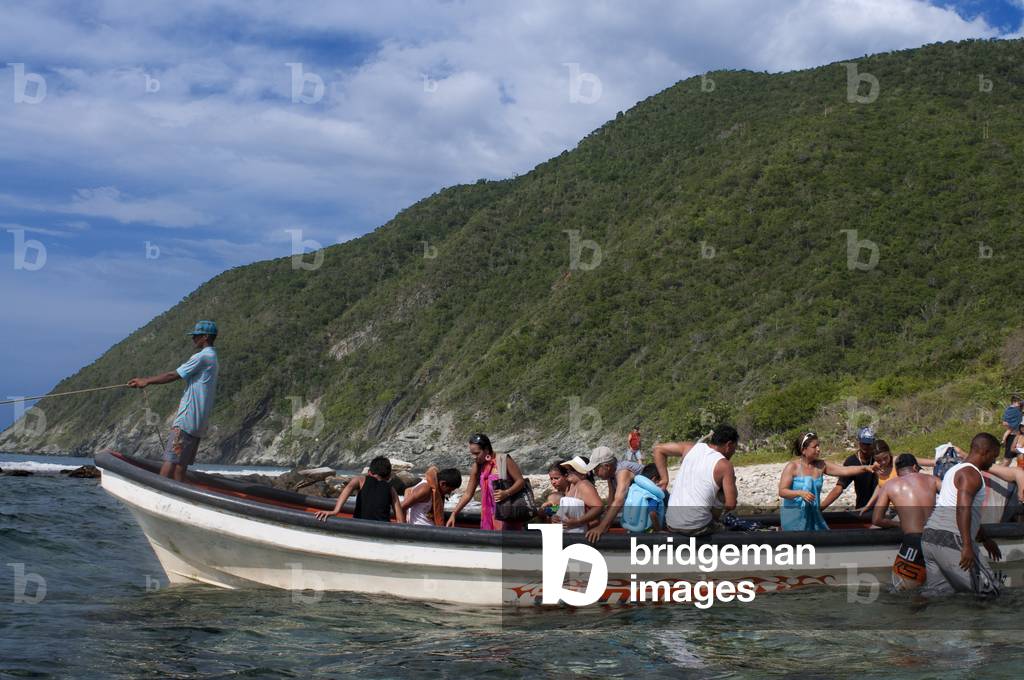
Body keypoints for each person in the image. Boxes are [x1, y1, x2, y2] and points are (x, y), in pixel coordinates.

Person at [127, 320, 219, 482]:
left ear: (205, 337)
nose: (193, 339)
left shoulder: (202, 357)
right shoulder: (213, 357)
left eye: (196, 336)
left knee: (170, 460)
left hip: (186, 419)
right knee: (180, 464)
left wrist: (146, 381)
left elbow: (173, 375)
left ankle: (158, 492)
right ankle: (176, 494)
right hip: (198, 423)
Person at [920, 433, 1003, 598]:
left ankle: (912, 619)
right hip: (952, 540)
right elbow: (962, 509)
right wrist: (966, 546)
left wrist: (985, 539)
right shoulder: (971, 474)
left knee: (937, 596)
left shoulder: (954, 470)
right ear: (985, 452)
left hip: (930, 538)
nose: (994, 461)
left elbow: (965, 512)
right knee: (990, 593)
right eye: (994, 456)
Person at [870, 454, 943, 590]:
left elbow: (877, 519)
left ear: (897, 471)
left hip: (914, 541)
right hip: (937, 540)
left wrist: (899, 524)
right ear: (915, 467)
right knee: (933, 590)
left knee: (903, 593)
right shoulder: (933, 480)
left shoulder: (890, 485)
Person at [778, 432, 877, 532]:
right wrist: (800, 493)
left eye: (819, 446)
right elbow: (782, 491)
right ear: (803, 450)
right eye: (814, 447)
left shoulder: (821, 465)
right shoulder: (792, 467)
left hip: (813, 515)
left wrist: (865, 468)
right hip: (794, 517)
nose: (818, 449)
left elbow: (845, 470)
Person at [652, 424, 740, 536]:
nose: (733, 452)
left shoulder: (690, 448)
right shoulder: (724, 465)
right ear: (729, 445)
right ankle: (713, 522)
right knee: (722, 493)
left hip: (671, 523)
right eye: (734, 449)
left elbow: (658, 449)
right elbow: (731, 504)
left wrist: (664, 479)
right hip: (696, 527)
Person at [446, 433, 526, 530]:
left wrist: (506, 493)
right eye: (472, 454)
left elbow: (520, 481)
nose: (474, 457)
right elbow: (468, 494)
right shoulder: (477, 466)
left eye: (477, 453)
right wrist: (454, 513)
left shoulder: (503, 460)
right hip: (488, 515)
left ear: (487, 449)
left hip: (507, 513)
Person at [316, 456, 404, 523]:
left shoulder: (360, 480)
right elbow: (400, 520)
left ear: (369, 472)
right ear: (388, 476)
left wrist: (335, 511)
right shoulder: (391, 490)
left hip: (360, 524)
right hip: (382, 528)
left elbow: (346, 491)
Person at [585, 446, 645, 543]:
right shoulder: (611, 474)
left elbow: (618, 501)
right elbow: (611, 500)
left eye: (596, 469)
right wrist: (603, 519)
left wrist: (601, 528)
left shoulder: (623, 472)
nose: (595, 473)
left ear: (607, 466)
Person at [820, 426, 878, 510]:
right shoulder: (851, 461)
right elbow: (839, 488)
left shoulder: (879, 459)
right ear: (859, 442)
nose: (865, 446)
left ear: (873, 443)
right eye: (863, 443)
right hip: (862, 508)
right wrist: (821, 508)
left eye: (868, 444)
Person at [557, 456, 605, 533]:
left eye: (572, 469)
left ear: (583, 474)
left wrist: (578, 521)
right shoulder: (573, 486)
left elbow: (598, 507)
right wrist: (556, 516)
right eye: (568, 469)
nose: (568, 472)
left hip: (583, 534)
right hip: (573, 533)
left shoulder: (584, 485)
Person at [620, 463, 666, 533]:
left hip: (630, 529)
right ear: (654, 479)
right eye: (660, 481)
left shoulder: (633, 488)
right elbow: (652, 513)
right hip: (647, 533)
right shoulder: (652, 494)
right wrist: (658, 530)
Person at [1001, 395, 1023, 460]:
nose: (1019, 404)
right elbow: (1007, 418)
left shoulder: (1011, 409)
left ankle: (1003, 440)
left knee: (1019, 457)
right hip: (1013, 431)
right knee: (1007, 459)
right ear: (1014, 402)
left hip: (1015, 432)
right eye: (1018, 403)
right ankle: (1003, 440)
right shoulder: (1014, 410)